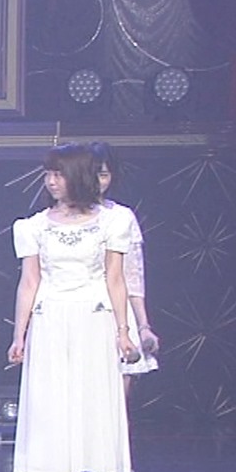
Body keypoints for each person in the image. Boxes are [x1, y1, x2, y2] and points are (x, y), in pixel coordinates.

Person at [8, 143, 138, 472]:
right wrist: (19, 335)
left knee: (93, 404)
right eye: (48, 174)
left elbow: (116, 279)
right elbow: (29, 282)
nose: (52, 181)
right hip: (50, 321)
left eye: (59, 174)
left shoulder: (113, 221)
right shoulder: (34, 226)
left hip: (94, 321)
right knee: (54, 406)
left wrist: (123, 331)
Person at [92, 142, 162, 391]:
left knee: (117, 394)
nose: (96, 181)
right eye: (90, 174)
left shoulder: (122, 217)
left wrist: (143, 326)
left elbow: (133, 276)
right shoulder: (54, 218)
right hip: (72, 309)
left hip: (116, 311)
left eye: (103, 174)